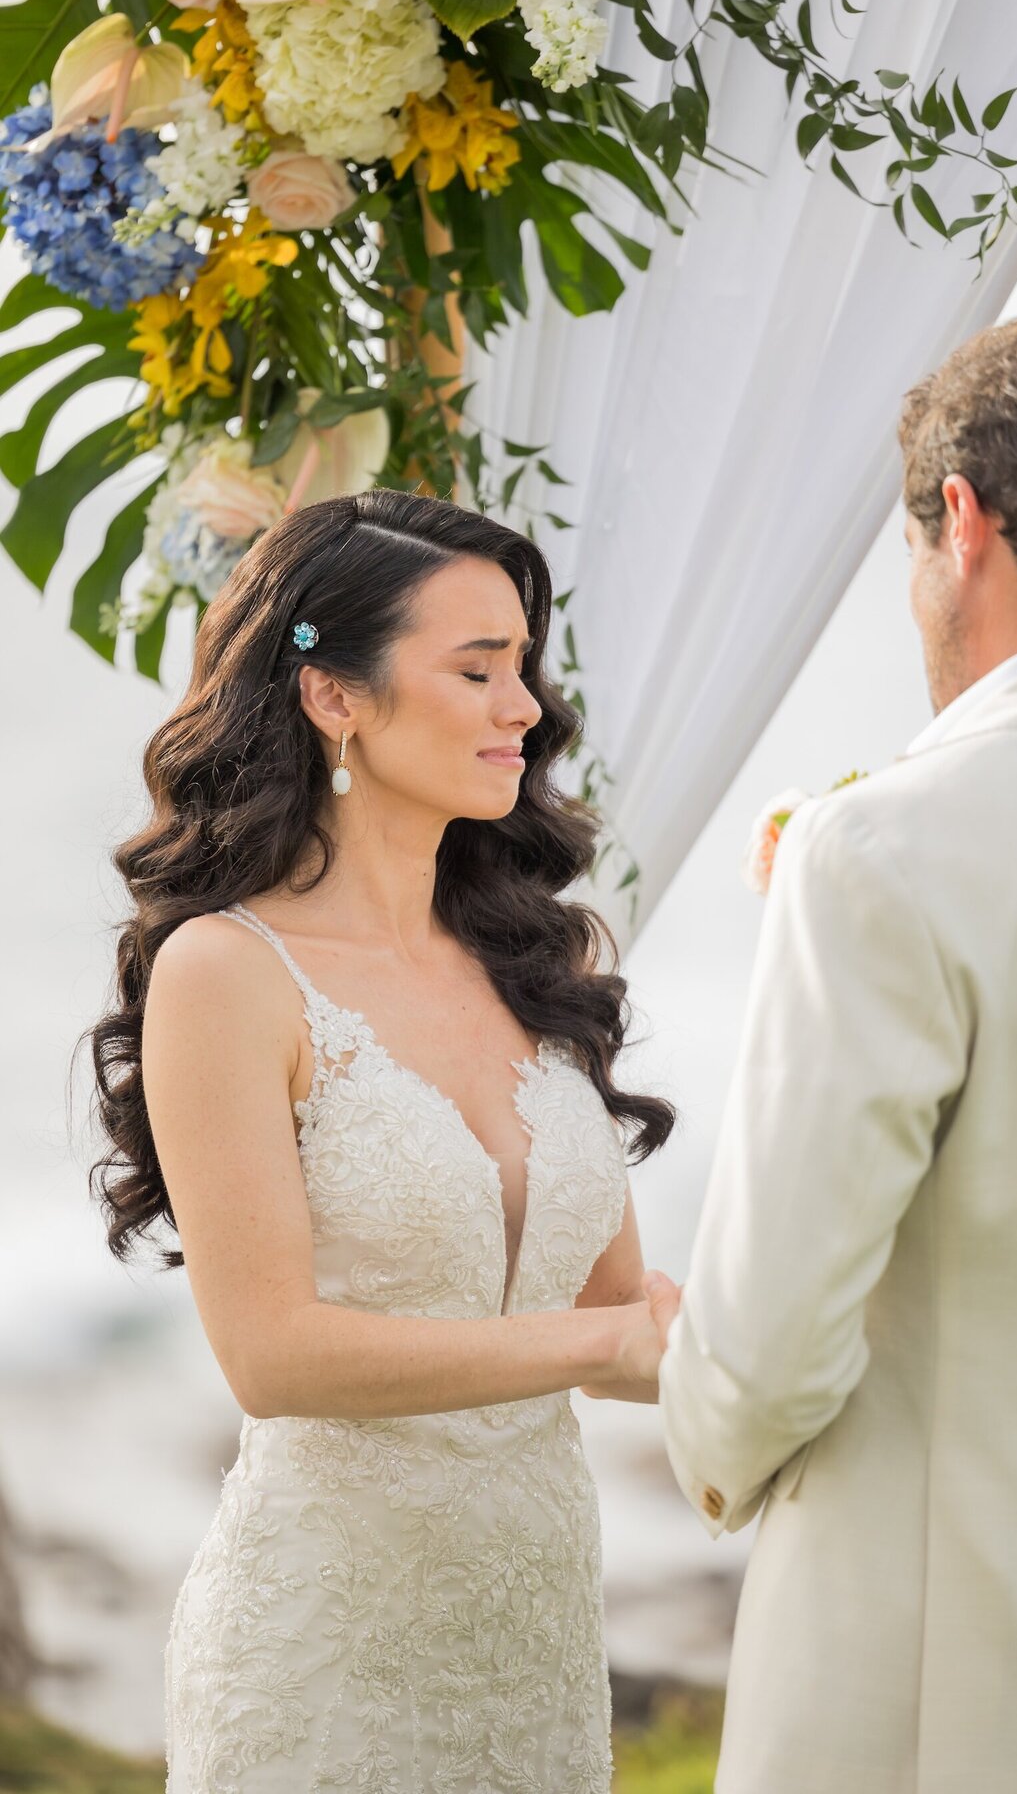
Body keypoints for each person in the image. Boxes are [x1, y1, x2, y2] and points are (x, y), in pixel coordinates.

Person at [642, 309, 1017, 1791]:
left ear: (963, 519)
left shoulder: (887, 847)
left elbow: (766, 1343)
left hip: (942, 1673)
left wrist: (693, 1406)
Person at [84, 489, 675, 1790]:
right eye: (476, 669)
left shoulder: (542, 962)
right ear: (334, 697)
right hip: (323, 1656)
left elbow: (624, 1312)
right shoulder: (226, 973)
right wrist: (608, 1343)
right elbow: (272, 1354)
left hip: (540, 1644)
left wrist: (833, 1326)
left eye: (522, 666)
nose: (524, 705)